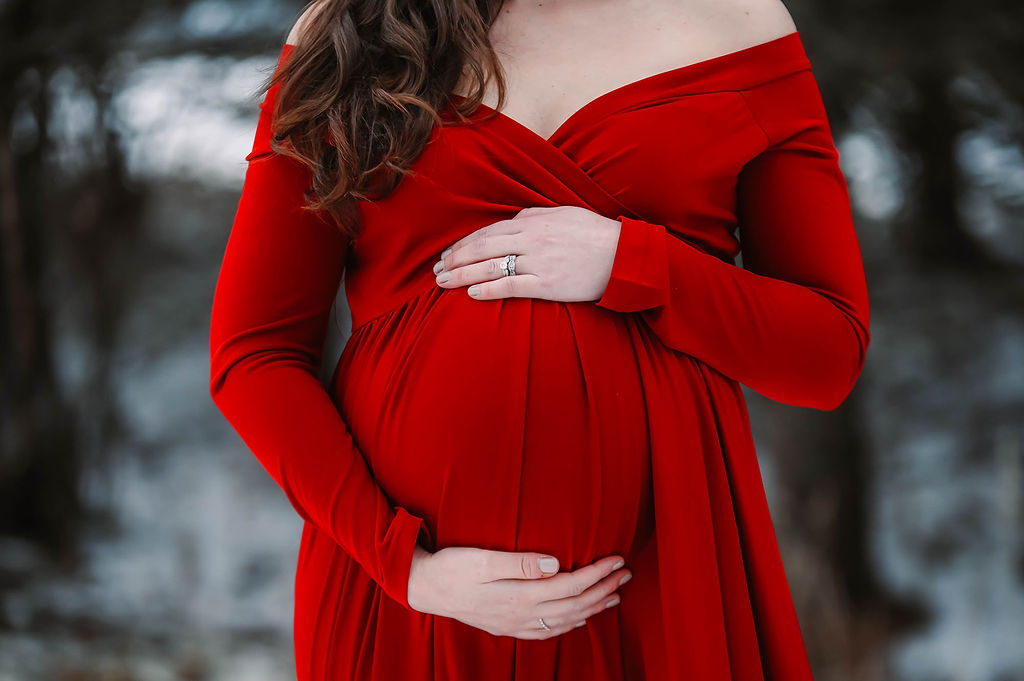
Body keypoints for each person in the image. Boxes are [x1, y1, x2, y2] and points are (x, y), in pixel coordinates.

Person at [208, 0, 871, 678]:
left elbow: (828, 351)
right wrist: (404, 565)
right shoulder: (355, 25)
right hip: (414, 600)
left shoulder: (738, 23)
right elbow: (254, 351)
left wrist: (635, 263)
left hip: (661, 583)